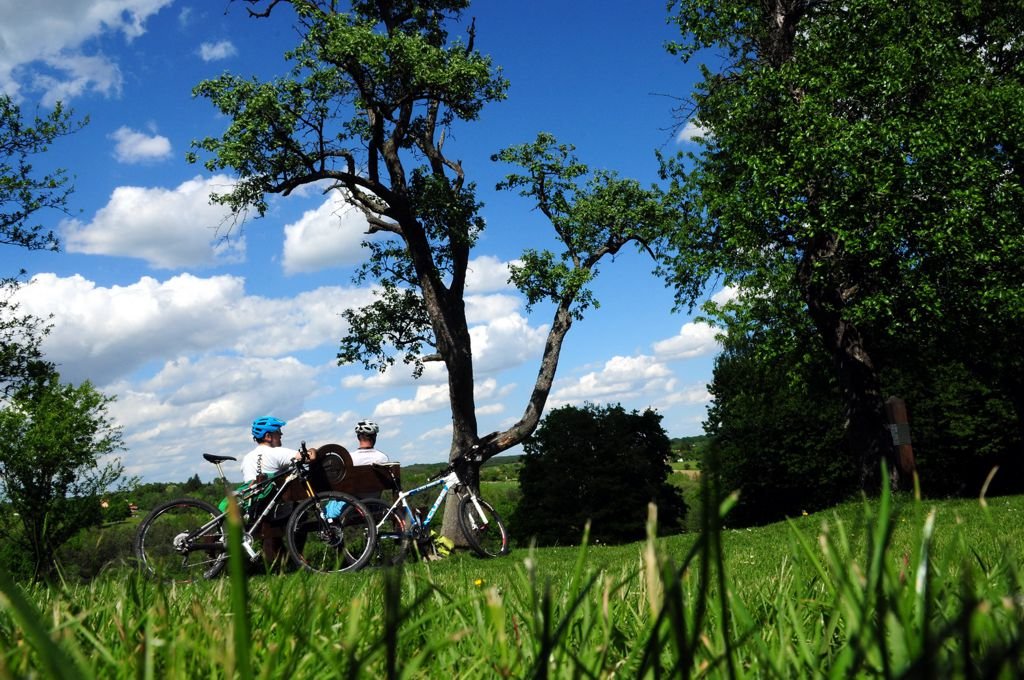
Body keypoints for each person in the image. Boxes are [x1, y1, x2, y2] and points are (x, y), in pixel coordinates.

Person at [241, 416, 316, 482]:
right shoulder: (277, 452)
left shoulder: (246, 459)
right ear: (268, 436)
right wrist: (312, 449)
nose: (281, 434)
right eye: (278, 431)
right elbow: (311, 457)